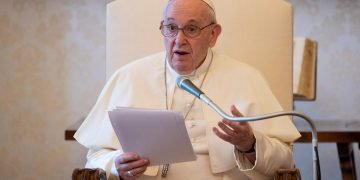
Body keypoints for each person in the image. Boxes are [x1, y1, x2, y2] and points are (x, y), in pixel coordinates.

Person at [74, 0, 301, 179]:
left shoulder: (248, 78)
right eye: (171, 28)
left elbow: (285, 161)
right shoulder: (128, 77)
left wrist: (250, 144)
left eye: (191, 29)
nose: (179, 40)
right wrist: (116, 165)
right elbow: (95, 157)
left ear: (213, 35)